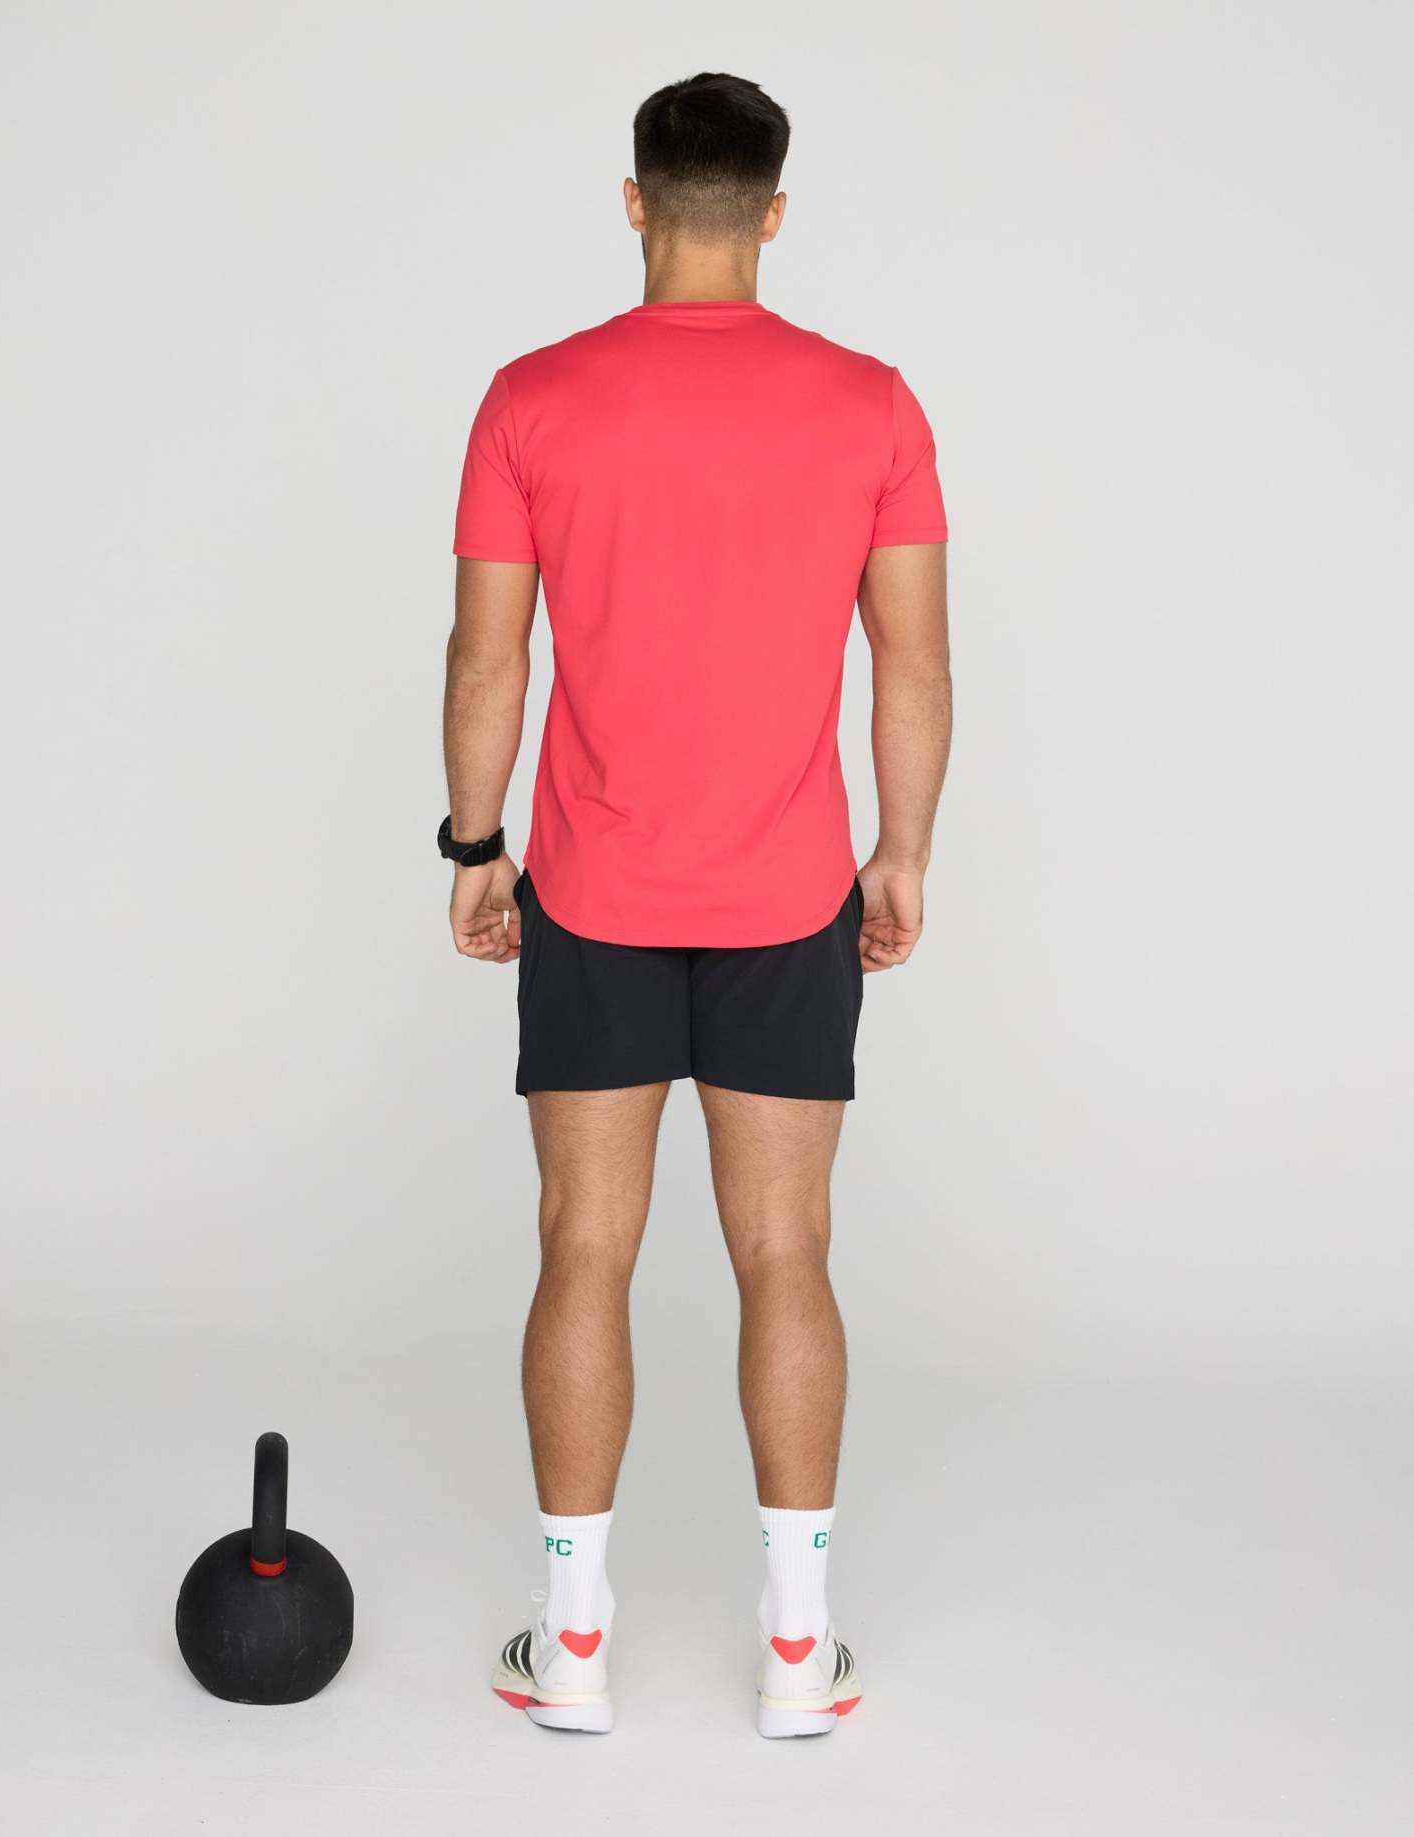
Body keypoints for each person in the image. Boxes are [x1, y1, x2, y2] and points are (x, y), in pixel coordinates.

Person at [442, 71, 950, 1739]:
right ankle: (798, 1651)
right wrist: (901, 851)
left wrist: (472, 845)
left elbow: (488, 657)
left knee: (581, 1244)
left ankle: (572, 1644)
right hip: (789, 894)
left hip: (591, 892)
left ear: (635, 202)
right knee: (785, 1250)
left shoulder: (532, 398)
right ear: (774, 214)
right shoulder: (871, 405)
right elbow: (913, 661)